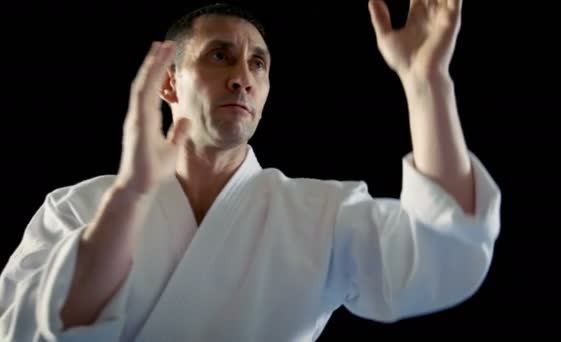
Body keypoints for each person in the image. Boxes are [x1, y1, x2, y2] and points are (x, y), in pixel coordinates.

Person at [0, 0, 501, 341]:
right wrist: (130, 197)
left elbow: (443, 253)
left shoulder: (321, 213)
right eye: (221, 55)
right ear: (169, 83)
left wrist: (427, 83)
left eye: (258, 64)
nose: (243, 77)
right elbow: (28, 330)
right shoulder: (76, 208)